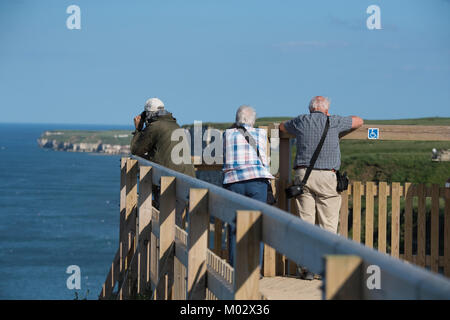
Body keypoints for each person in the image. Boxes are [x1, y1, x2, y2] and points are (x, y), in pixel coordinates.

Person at [280, 96, 364, 279]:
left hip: (303, 177)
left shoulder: (301, 120)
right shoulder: (333, 121)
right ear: (326, 110)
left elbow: (281, 127)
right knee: (328, 224)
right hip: (327, 176)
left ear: (310, 109)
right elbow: (359, 121)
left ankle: (307, 268)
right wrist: (332, 117)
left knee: (306, 223)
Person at [222, 105, 274, 267]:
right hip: (257, 182)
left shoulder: (227, 134)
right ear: (253, 120)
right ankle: (254, 269)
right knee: (255, 226)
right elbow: (266, 160)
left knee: (234, 226)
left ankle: (234, 267)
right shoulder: (261, 133)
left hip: (233, 181)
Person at [131, 98, 196, 206]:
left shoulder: (155, 127)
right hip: (187, 178)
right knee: (177, 219)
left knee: (165, 218)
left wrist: (138, 129)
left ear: (148, 114)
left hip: (168, 182)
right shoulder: (175, 125)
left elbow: (136, 150)